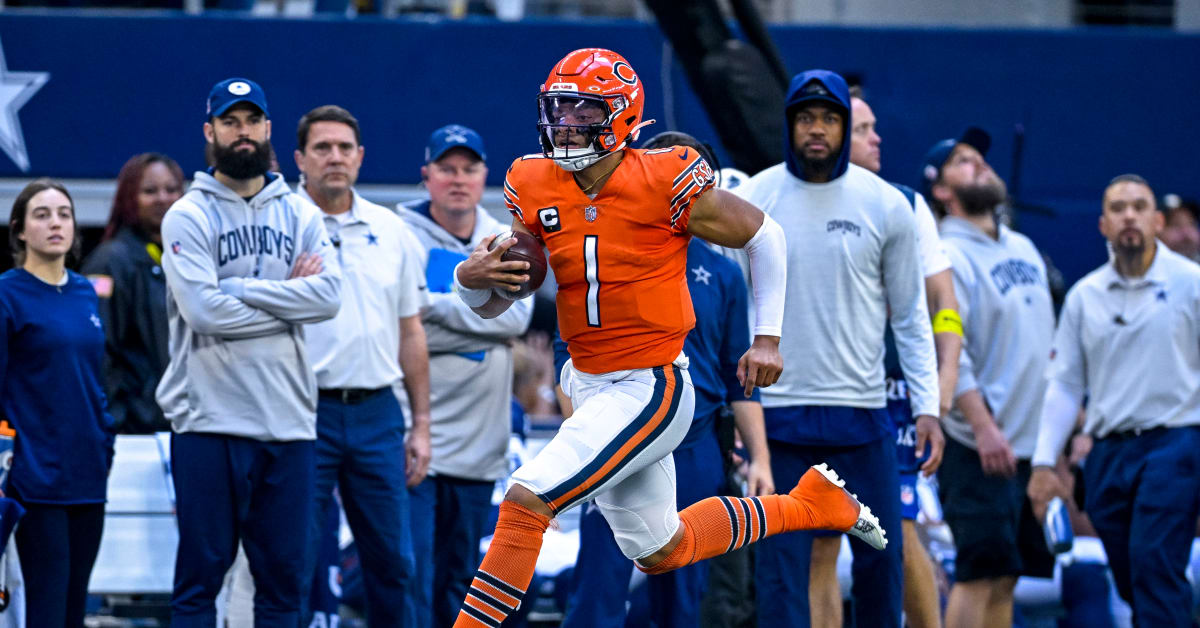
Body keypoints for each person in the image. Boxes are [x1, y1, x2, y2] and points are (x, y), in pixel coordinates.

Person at [450, 48, 885, 628]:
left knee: (527, 501)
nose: (566, 126)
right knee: (661, 549)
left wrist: (768, 338)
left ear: (623, 116)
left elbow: (766, 235)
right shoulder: (532, 181)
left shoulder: (662, 176)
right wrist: (468, 278)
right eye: (559, 111)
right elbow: (500, 296)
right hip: (586, 379)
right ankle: (809, 504)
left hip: (649, 382)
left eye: (582, 112)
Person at [732, 69, 940, 628]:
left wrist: (928, 407)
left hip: (863, 421)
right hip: (779, 422)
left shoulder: (888, 205)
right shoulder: (754, 196)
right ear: (789, 126)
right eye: (806, 118)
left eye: (828, 118)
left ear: (845, 127)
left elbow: (914, 318)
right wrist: (737, 413)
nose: (816, 130)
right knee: (780, 576)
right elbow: (730, 310)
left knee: (882, 564)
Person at [558, 131, 774, 628]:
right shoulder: (598, 250)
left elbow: (736, 375)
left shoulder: (723, 273)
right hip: (617, 440)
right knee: (600, 585)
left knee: (685, 591)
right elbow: (563, 355)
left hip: (696, 446)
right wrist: (586, 436)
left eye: (695, 177)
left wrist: (759, 458)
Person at [157, 77, 341, 627]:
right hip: (208, 420)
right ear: (210, 131)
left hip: (287, 423)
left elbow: (329, 297)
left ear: (267, 129)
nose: (243, 132)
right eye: (231, 122)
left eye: (252, 121)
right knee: (199, 582)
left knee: (285, 586)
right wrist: (290, 298)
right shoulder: (188, 215)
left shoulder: (301, 213)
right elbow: (203, 313)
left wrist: (237, 288)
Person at [1028, 174, 1200, 627]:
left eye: (1139, 207)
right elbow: (1064, 384)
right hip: (1106, 455)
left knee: (1154, 563)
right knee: (1133, 576)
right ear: (1102, 224)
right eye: (1119, 208)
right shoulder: (1085, 296)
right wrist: (1044, 464)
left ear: (1157, 221)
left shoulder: (1192, 284)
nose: (1129, 216)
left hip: (1176, 444)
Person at [292, 104, 432, 626]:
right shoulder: (280, 221)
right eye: (322, 148)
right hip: (302, 410)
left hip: (377, 412)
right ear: (299, 158)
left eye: (344, 148)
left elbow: (410, 330)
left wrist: (420, 424)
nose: (335, 158)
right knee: (295, 562)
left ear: (361, 157)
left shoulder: (390, 228)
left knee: (395, 562)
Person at [394, 123, 534, 628]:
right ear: (426, 175)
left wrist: (425, 314)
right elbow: (392, 324)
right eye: (447, 168)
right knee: (409, 575)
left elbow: (517, 319)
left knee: (461, 581)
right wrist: (480, 317)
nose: (458, 179)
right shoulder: (397, 234)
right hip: (415, 441)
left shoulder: (503, 239)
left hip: (479, 448)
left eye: (468, 169)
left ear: (484, 176)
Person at [920, 128, 1056, 628]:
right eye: (963, 160)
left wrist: (1053, 442)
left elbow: (1047, 346)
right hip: (977, 442)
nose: (980, 164)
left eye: (981, 157)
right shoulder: (945, 256)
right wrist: (981, 427)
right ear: (940, 189)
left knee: (1007, 575)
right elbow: (949, 350)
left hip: (1023, 443)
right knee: (978, 572)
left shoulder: (1022, 246)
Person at [845, 88, 958, 628]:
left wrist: (943, 384)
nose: (877, 138)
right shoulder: (787, 197)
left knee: (901, 523)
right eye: (864, 128)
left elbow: (945, 306)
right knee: (821, 540)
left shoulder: (908, 203)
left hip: (893, 389)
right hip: (825, 388)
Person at [0, 179, 115, 628]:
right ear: (20, 230)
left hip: (88, 473)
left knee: (74, 609)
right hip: (36, 479)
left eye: (64, 214)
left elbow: (94, 377)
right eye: (42, 215)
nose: (55, 223)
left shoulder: (86, 292)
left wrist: (105, 441)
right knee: (46, 610)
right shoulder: (7, 294)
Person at [82, 153, 184, 434]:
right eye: (150, 191)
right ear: (129, 198)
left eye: (172, 189)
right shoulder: (109, 262)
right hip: (135, 433)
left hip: (183, 426)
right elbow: (97, 349)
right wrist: (118, 417)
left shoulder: (188, 258)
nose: (163, 198)